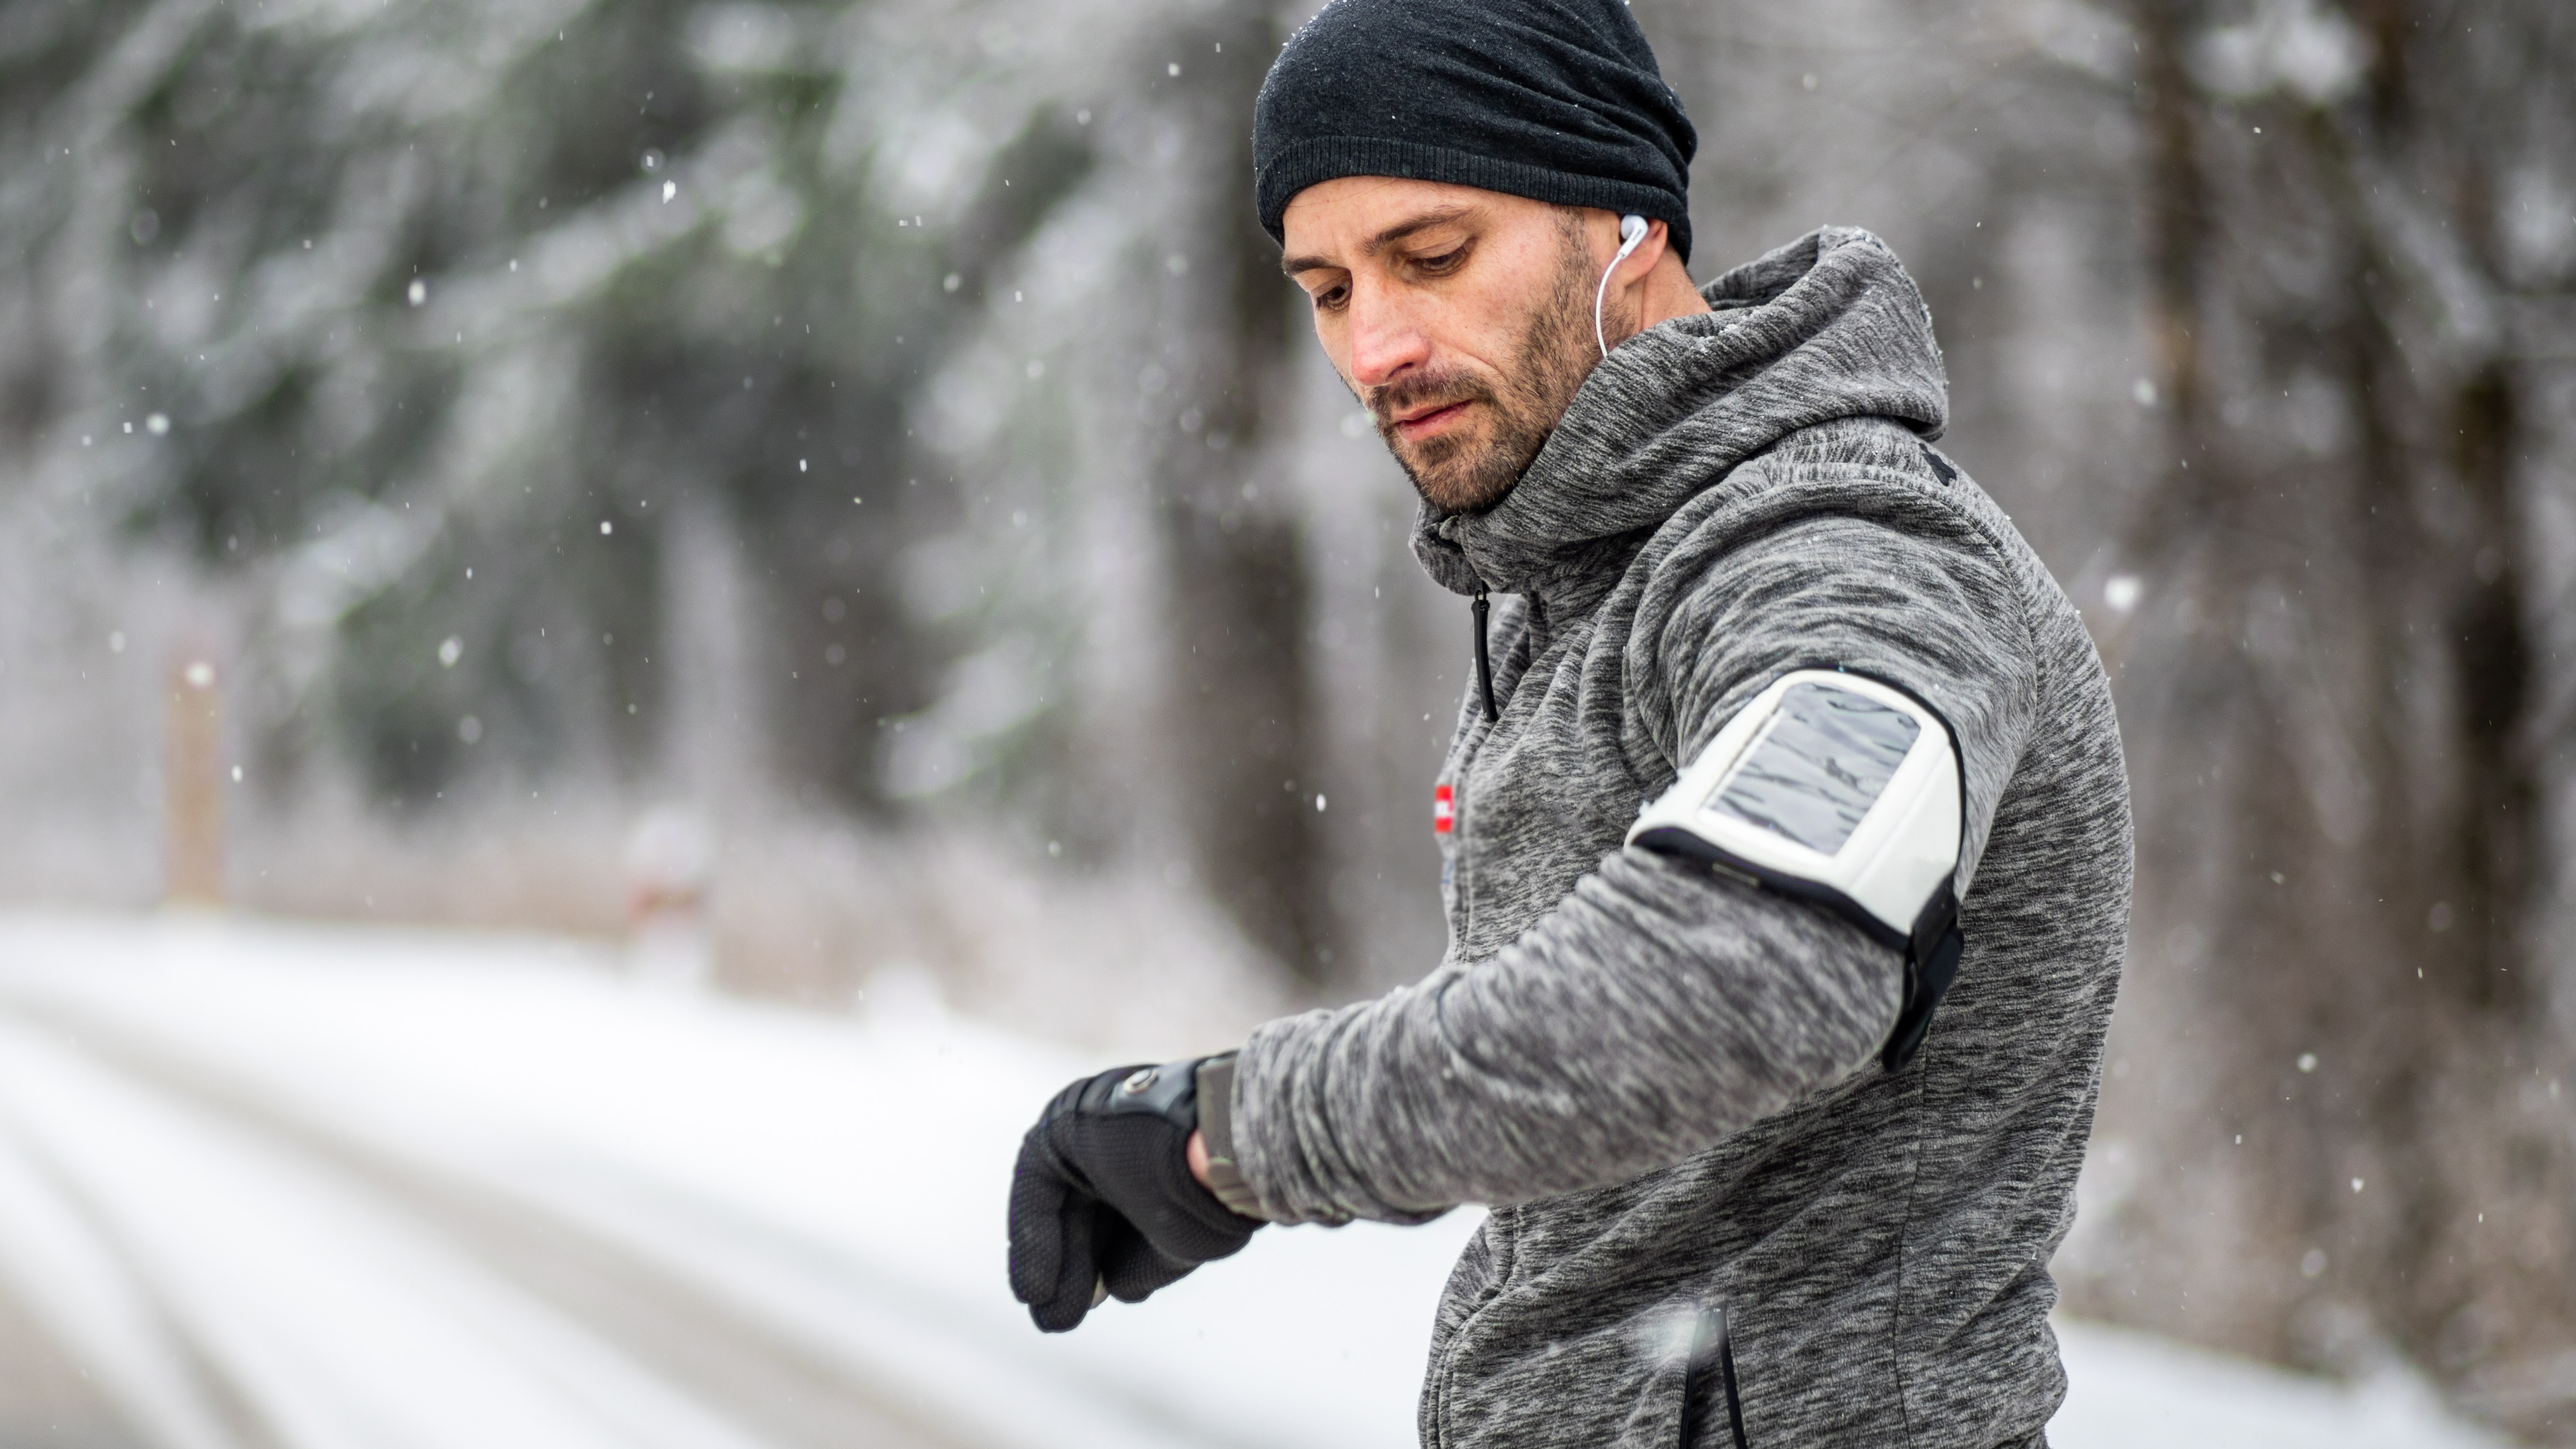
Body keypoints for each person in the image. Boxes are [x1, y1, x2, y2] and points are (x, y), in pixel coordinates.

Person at [1004, 1, 2131, 1445]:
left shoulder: (1851, 559)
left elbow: (1752, 963)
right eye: (1329, 289)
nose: (1378, 347)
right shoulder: (1587, 571)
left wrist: (1235, 1132)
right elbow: (1591, 1073)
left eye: (1433, 255)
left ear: (1628, 220)